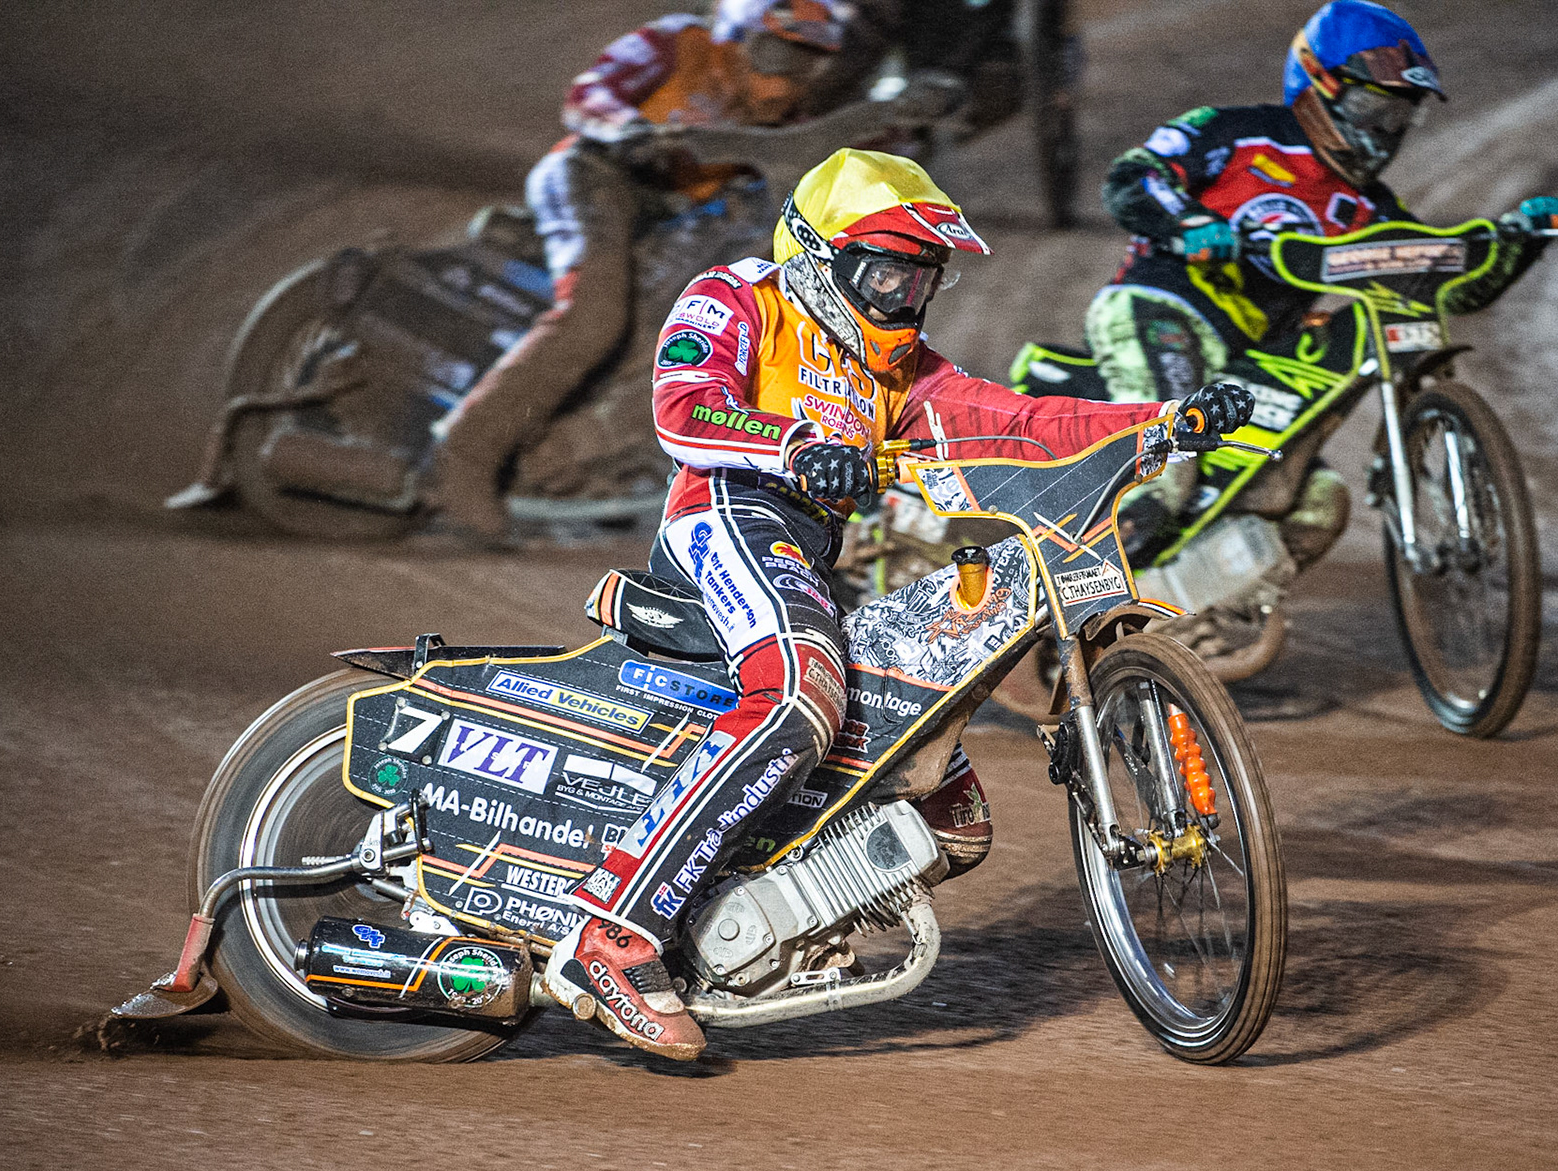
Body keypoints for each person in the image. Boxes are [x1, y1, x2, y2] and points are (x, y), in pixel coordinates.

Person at [542, 148, 1255, 1059]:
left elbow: (1022, 421)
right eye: (884, 273)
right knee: (804, 694)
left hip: (804, 555)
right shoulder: (739, 296)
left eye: (919, 280)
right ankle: (614, 930)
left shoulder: (906, 371)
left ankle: (754, 918)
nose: (902, 299)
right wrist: (794, 443)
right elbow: (682, 407)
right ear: (817, 257)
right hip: (725, 516)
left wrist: (1164, 420)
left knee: (947, 810)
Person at [1084, 0, 1558, 564]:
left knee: (1321, 504)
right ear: (1317, 84)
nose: (1382, 133)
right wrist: (1189, 221)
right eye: (1369, 108)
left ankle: (1204, 626)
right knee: (1168, 471)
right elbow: (1131, 177)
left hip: (1255, 357)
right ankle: (1063, 597)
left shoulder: (1373, 205)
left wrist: (1518, 244)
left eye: (1398, 117)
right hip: (1162, 308)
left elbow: (1441, 285)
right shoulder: (1233, 132)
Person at [420, 0, 909, 542]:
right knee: (595, 316)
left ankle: (579, 462)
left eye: (806, 61)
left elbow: (847, 153)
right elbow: (587, 94)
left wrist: (907, 116)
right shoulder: (679, 42)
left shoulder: (791, 119)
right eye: (777, 50)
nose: (787, 75)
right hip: (597, 173)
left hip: (674, 218)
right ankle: (461, 456)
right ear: (741, 34)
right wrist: (627, 128)